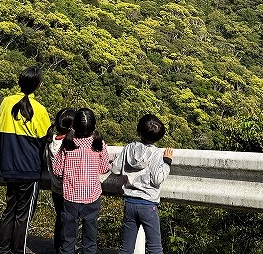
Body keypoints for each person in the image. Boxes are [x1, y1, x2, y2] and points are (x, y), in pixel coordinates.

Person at [0, 66, 51, 254]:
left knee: (9, 210)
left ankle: (3, 250)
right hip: (30, 169)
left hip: (9, 167)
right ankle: (18, 250)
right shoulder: (40, 110)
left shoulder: (6, 102)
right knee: (23, 215)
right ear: (38, 85)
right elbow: (45, 138)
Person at [52, 108, 112, 254]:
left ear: (74, 125)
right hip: (91, 196)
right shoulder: (98, 143)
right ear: (93, 126)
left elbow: (57, 171)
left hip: (70, 197)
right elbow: (104, 168)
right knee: (90, 237)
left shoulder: (67, 143)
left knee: (68, 237)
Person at [112, 114, 173, 254]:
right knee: (155, 248)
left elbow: (115, 169)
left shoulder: (129, 148)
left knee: (126, 248)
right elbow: (157, 179)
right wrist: (167, 162)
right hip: (148, 205)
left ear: (138, 131)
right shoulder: (157, 153)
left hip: (130, 203)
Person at [46, 108, 76, 254]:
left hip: (55, 188)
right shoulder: (69, 144)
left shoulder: (50, 142)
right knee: (68, 220)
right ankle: (65, 249)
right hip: (68, 189)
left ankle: (58, 247)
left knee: (60, 218)